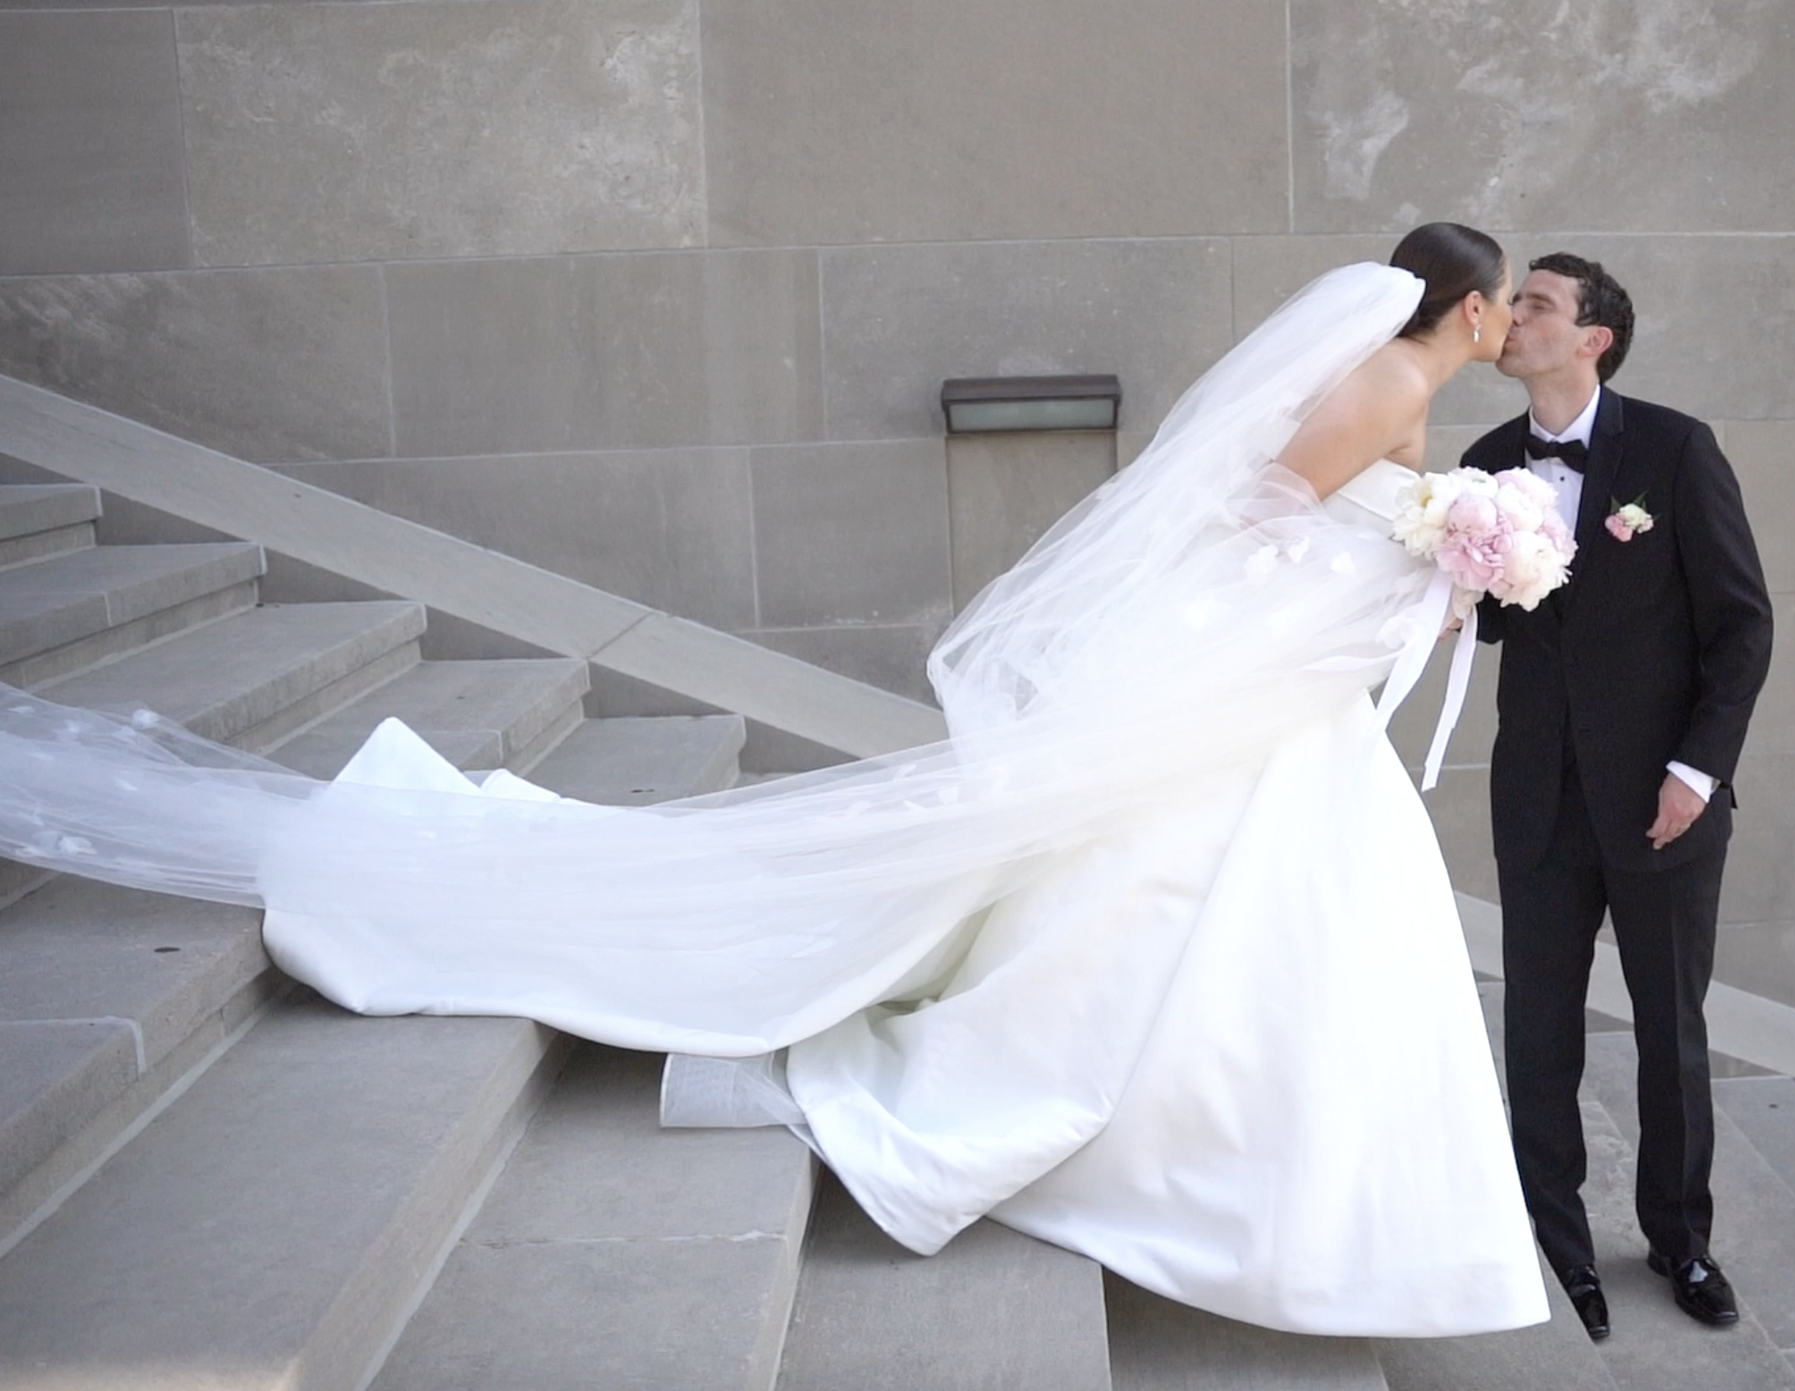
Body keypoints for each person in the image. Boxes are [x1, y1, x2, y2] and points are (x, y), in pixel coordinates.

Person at [0, 226, 1554, 1338]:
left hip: (1290, 720)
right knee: (1170, 912)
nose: (1509, 331)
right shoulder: (1390, 390)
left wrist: (1426, 560)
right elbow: (1264, 519)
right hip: (1267, 704)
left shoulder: (1404, 391)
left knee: (1250, 926)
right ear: (1467, 305)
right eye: (1506, 309)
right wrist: (1412, 563)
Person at [1467, 254, 1774, 1338]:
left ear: (1594, 337)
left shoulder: (1677, 449)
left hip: (1664, 800)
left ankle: (1680, 1243)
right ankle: (1555, 1242)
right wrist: (1456, 575)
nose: (1513, 318)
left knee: (1668, 1031)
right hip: (1539, 802)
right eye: (1514, 303)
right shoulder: (1483, 465)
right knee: (1538, 1028)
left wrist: (1697, 770)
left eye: (1536, 304)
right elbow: (1489, 626)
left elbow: (1741, 625)